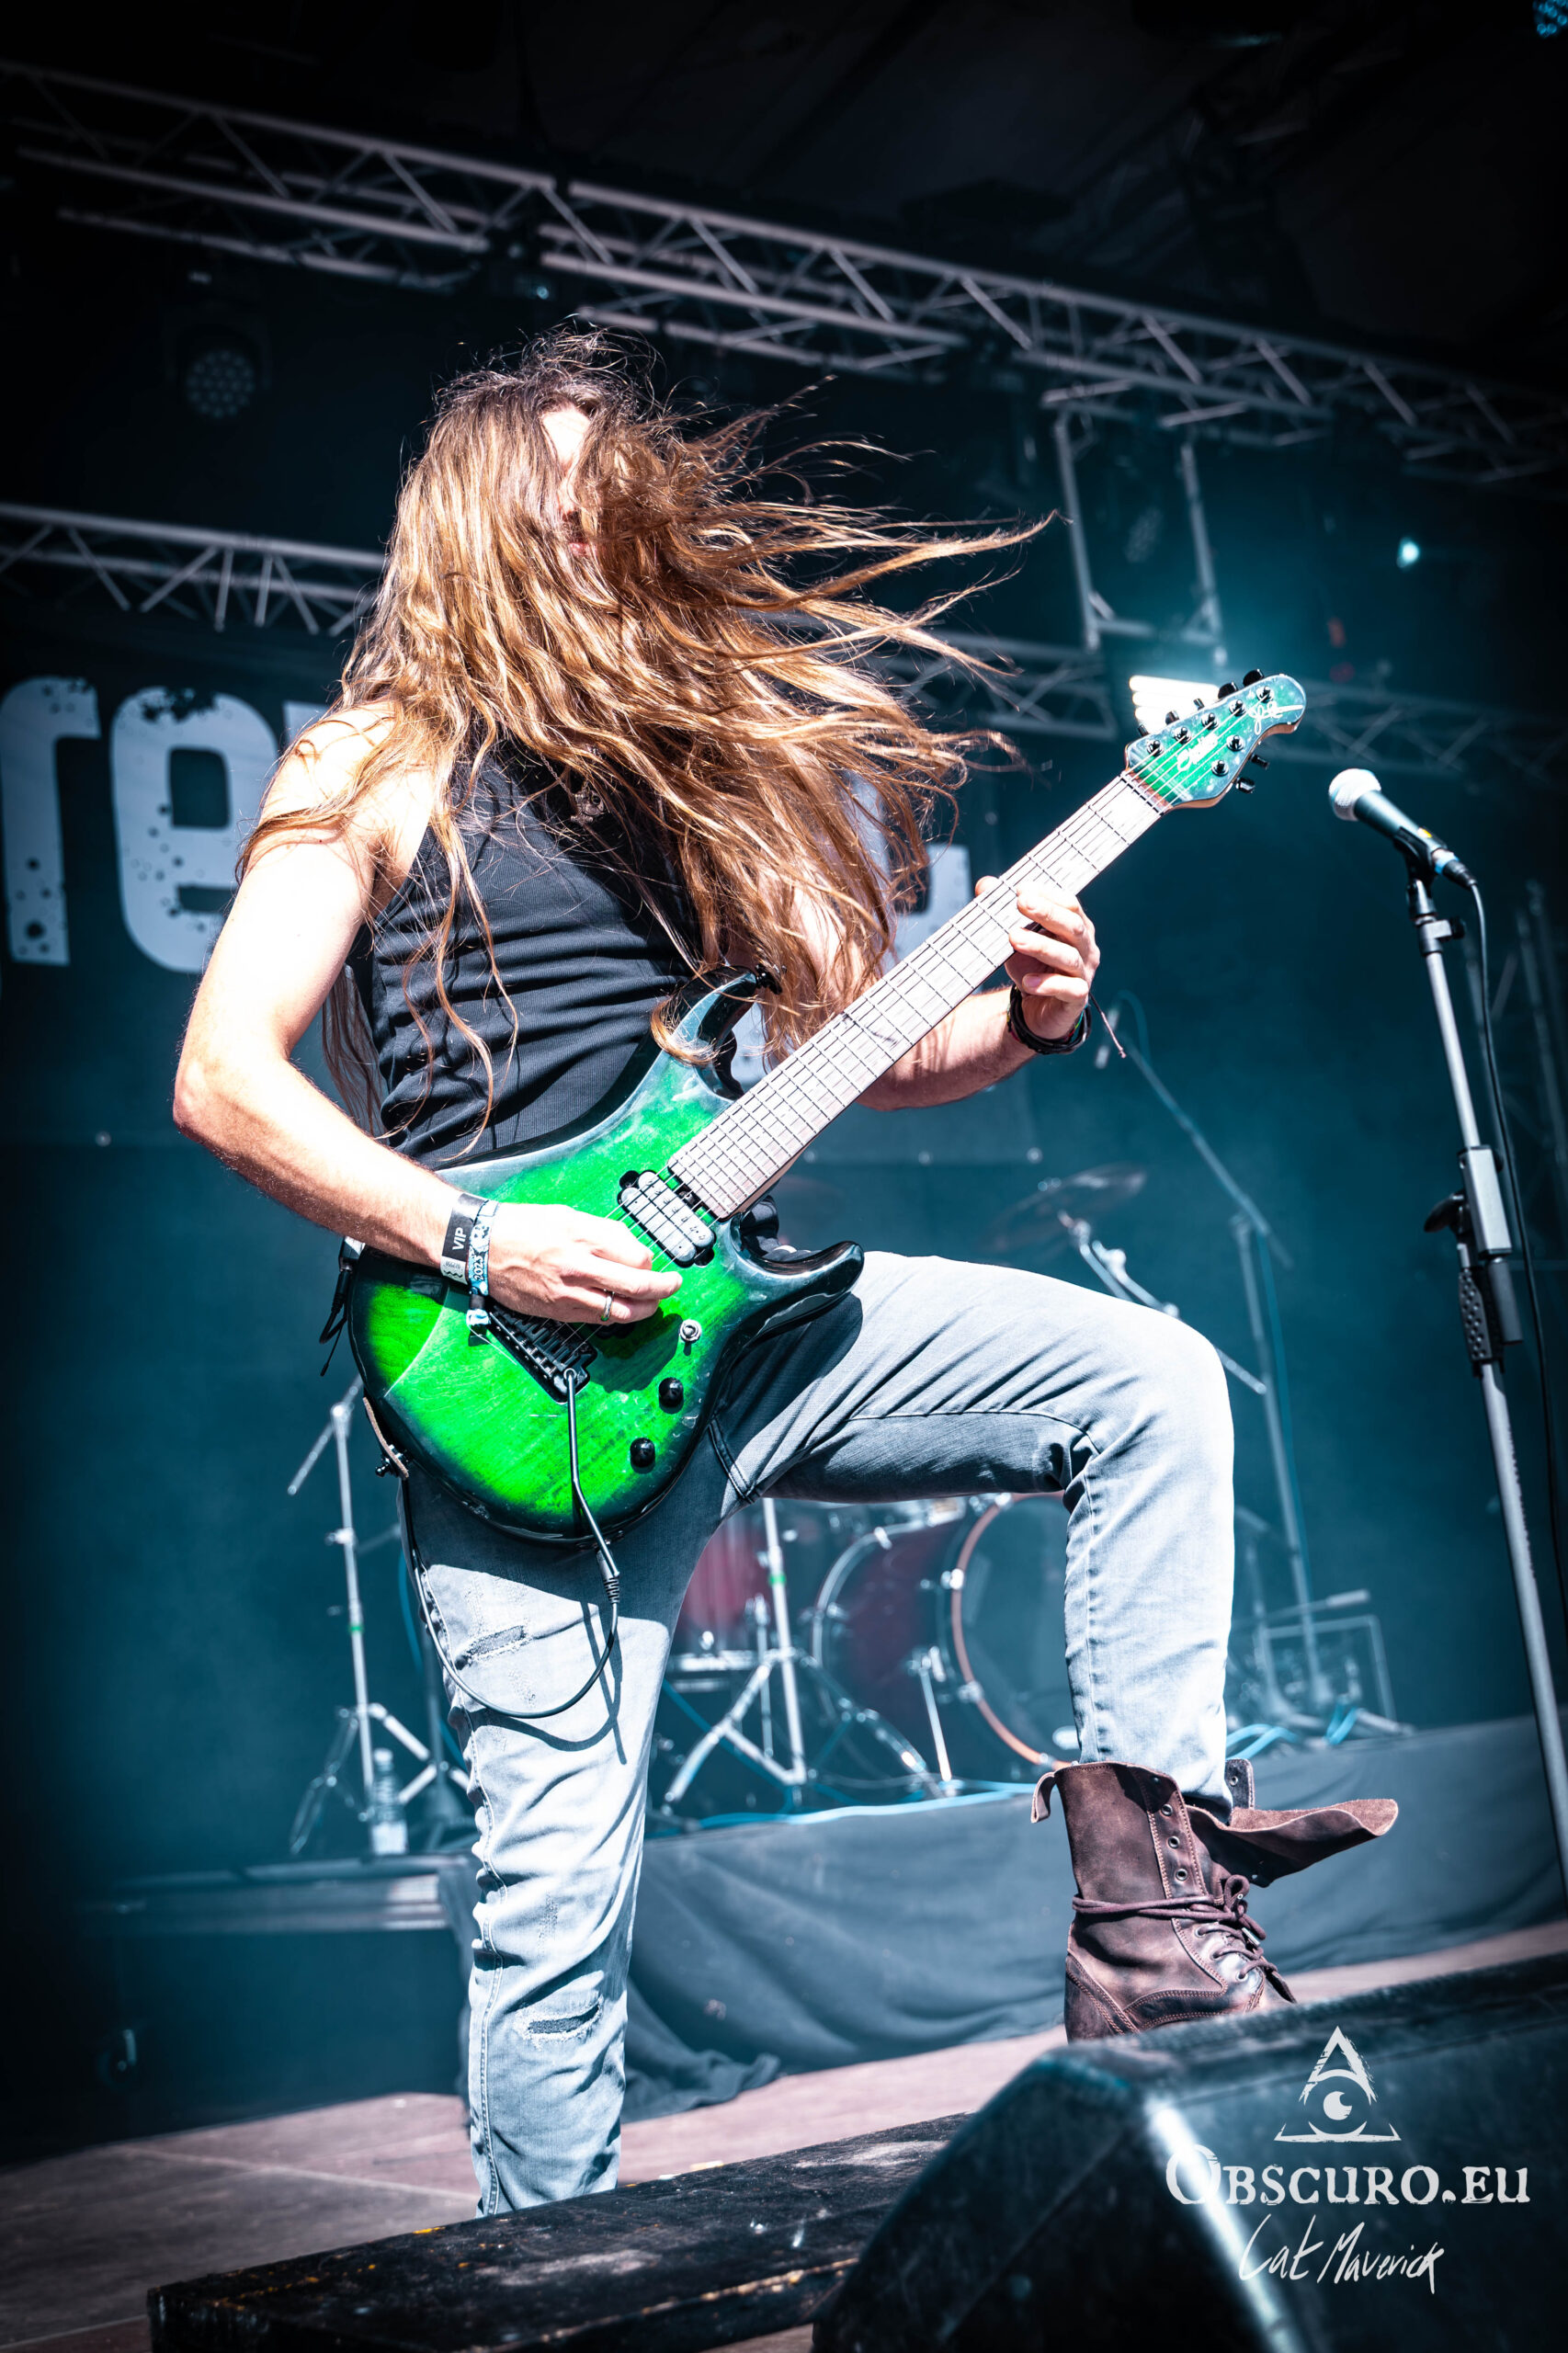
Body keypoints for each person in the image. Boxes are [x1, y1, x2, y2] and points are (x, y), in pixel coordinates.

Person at [175, 331, 1392, 2215]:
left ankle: (1155, 1922)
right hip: (518, 1373)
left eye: (616, 499)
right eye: (560, 504)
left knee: (1147, 1380)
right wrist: (484, 1235)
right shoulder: (375, 757)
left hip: (750, 1319)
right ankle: (545, 2287)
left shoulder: (700, 769)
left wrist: (1024, 1020)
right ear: (480, 529)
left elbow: (849, 1052)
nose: (601, 530)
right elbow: (221, 1076)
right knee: (558, 1889)